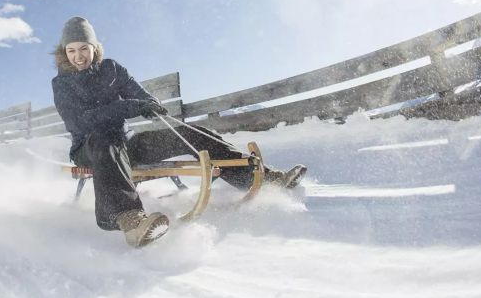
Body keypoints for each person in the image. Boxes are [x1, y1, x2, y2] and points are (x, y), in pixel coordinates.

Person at [51, 16, 306, 248]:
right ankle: (129, 219)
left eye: (84, 48)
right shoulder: (61, 84)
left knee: (195, 134)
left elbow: (136, 92)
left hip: (127, 144)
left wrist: (150, 103)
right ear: (65, 52)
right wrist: (127, 107)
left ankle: (260, 177)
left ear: (95, 48)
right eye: (71, 50)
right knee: (103, 138)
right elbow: (82, 122)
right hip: (90, 147)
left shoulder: (111, 68)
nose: (79, 56)